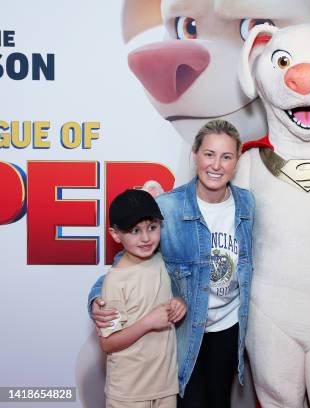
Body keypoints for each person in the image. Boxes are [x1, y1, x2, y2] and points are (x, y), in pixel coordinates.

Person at [88, 120, 255, 408]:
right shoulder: (169, 206)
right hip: (185, 328)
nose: (216, 165)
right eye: (209, 154)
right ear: (195, 155)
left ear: (236, 161)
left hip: (229, 327)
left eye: (226, 156)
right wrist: (95, 299)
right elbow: (127, 258)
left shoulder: (247, 205)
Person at [99, 188, 186, 408]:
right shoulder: (115, 281)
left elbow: (177, 289)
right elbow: (108, 343)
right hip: (129, 393)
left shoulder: (162, 261)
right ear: (115, 234)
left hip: (165, 388)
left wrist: (179, 302)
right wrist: (148, 323)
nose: (146, 238)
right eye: (135, 230)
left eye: (152, 227)